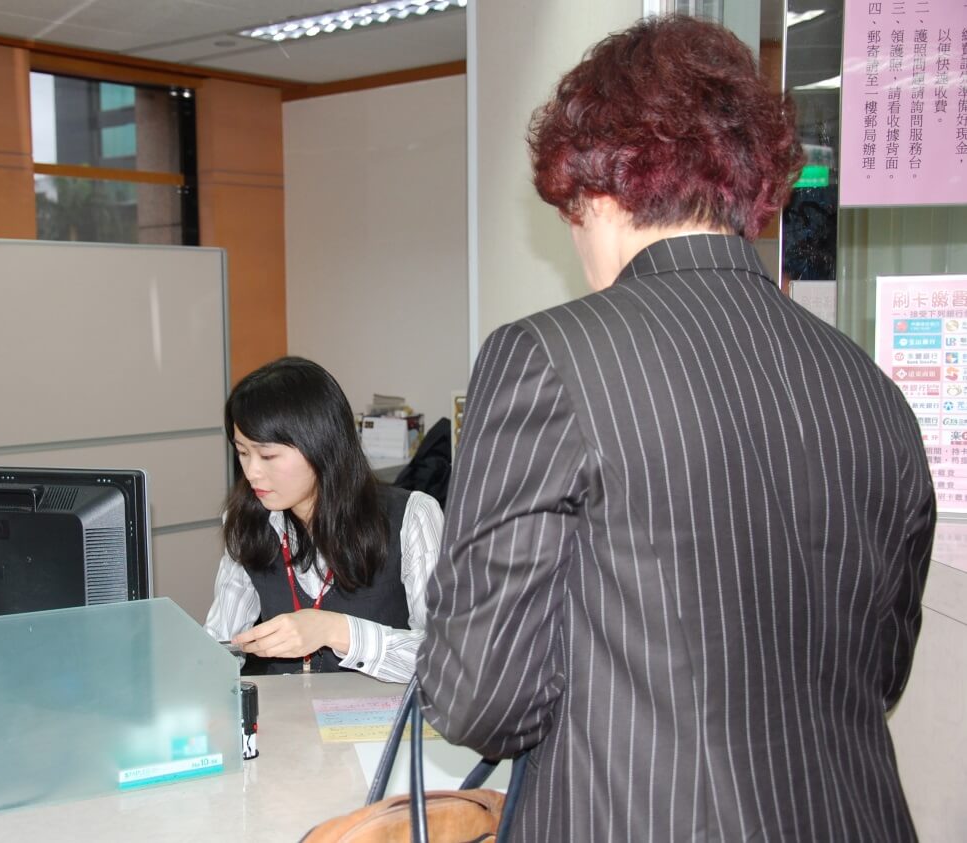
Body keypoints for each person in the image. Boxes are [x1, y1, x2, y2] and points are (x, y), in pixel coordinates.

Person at [417, 15, 934, 842]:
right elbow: (877, 673)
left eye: (570, 214)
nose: (577, 241)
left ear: (598, 186)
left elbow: (482, 697)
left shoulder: (546, 356)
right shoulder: (870, 390)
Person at [205, 356, 443, 682]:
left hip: (381, 724)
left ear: (321, 445)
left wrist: (335, 630)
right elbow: (219, 642)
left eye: (268, 455)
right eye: (243, 452)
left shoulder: (413, 516)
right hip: (288, 724)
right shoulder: (246, 519)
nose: (252, 472)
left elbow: (445, 657)